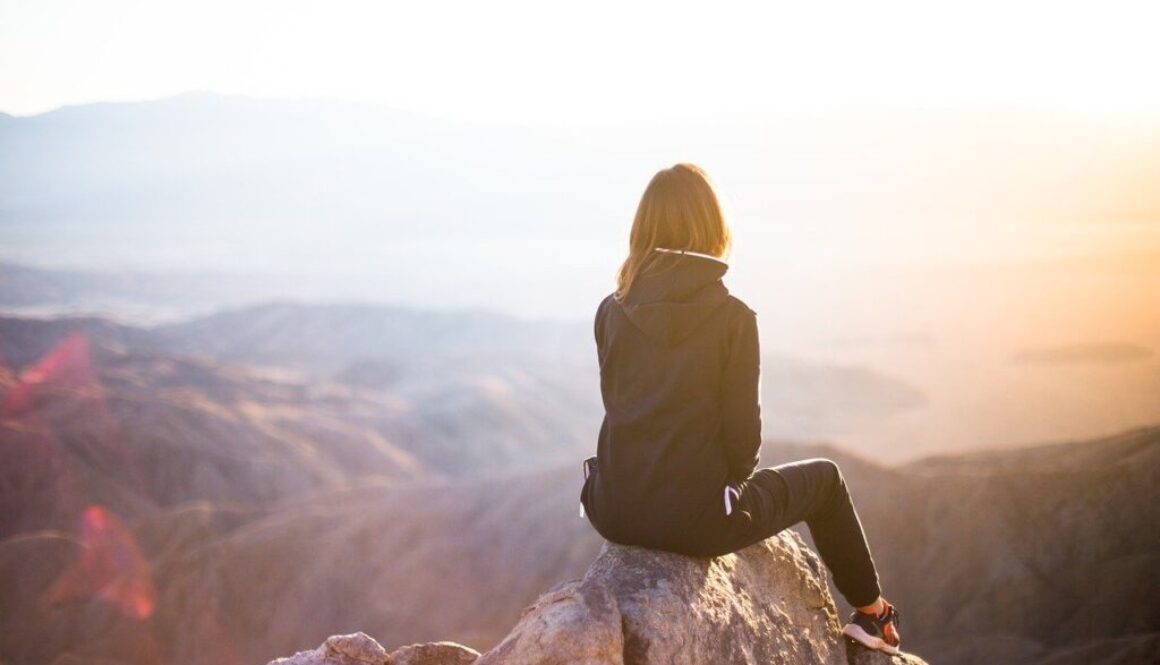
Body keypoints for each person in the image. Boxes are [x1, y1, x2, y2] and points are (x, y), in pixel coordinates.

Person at [579, 163, 902, 654]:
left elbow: (621, 407)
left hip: (612, 509)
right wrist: (719, 491)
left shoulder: (610, 308)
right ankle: (872, 614)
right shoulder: (733, 319)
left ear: (642, 229)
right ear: (712, 228)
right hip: (697, 522)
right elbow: (744, 450)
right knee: (827, 480)